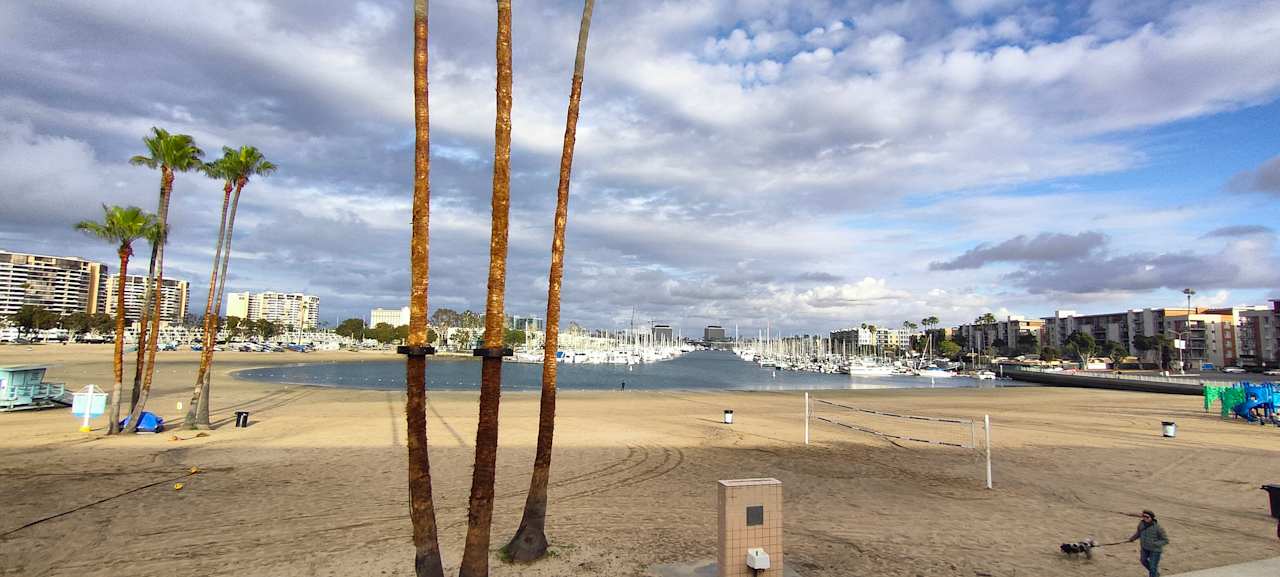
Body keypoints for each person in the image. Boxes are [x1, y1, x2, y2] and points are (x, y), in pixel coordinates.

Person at [1128, 510, 1169, 577]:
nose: (1145, 518)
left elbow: (1165, 540)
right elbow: (1139, 533)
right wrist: (1132, 538)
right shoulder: (1141, 524)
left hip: (1155, 550)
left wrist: (1155, 544)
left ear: (1151, 518)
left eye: (1147, 517)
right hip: (1144, 548)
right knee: (1143, 561)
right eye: (1143, 516)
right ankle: (1155, 573)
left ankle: (1153, 574)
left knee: (1153, 566)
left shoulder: (1158, 528)